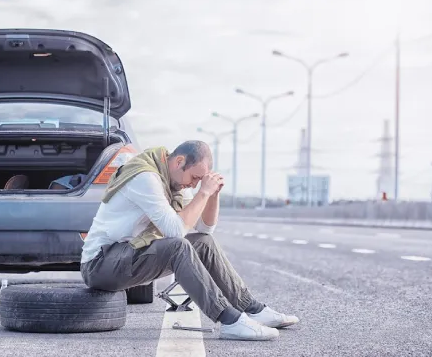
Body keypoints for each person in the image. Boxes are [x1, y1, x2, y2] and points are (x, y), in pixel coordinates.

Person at [80, 140, 299, 341]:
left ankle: (252, 309)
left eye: (199, 180)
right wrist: (202, 194)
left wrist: (212, 195)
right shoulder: (145, 177)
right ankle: (229, 320)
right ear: (179, 162)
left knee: (202, 242)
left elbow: (205, 229)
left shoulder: (173, 182)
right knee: (178, 247)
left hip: (128, 256)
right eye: (194, 178)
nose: (194, 185)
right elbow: (176, 231)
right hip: (101, 263)